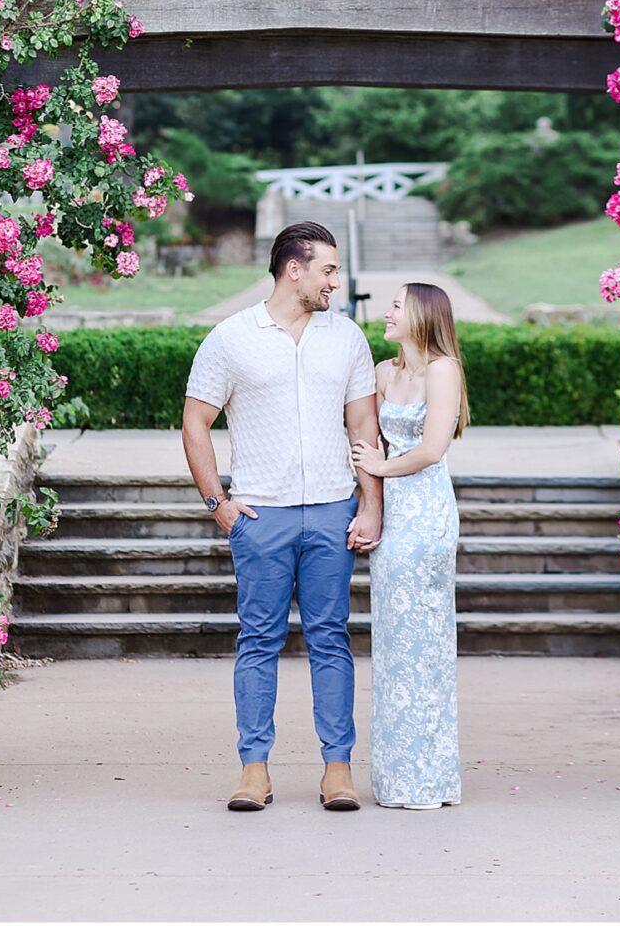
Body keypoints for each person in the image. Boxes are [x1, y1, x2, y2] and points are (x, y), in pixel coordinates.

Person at [182, 221, 382, 814]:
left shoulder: (346, 338)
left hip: (330, 512)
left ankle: (337, 770)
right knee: (258, 640)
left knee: (331, 639)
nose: (334, 281)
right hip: (260, 515)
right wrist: (218, 503)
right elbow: (196, 422)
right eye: (326, 269)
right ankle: (253, 771)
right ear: (293, 268)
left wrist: (369, 504)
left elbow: (363, 429)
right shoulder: (230, 338)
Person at [350, 281, 468, 810]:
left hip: (427, 514)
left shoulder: (443, 370)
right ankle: (398, 777)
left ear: (422, 316)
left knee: (425, 642)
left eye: (397, 305)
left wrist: (379, 466)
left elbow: (431, 448)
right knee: (396, 644)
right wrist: (369, 490)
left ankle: (429, 777)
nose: (387, 312)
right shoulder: (382, 372)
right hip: (393, 511)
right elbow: (366, 437)